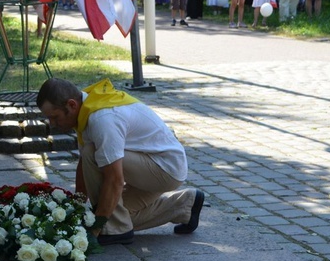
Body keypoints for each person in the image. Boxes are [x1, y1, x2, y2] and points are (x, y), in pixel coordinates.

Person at [36, 78, 204, 246]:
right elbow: (83, 167)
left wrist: (95, 230)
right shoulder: (88, 107)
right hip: (150, 165)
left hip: (165, 169)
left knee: (93, 156)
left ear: (72, 105)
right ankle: (185, 205)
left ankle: (114, 229)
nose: (52, 124)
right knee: (120, 217)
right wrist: (75, 209)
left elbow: (114, 179)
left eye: (55, 117)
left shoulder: (102, 118)